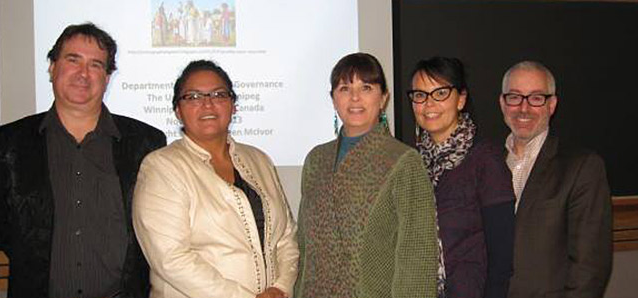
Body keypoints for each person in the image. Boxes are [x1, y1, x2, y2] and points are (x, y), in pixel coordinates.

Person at [0, 23, 166, 297]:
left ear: (107, 77)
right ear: (52, 68)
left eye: (96, 65)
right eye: (73, 60)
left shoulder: (146, 142)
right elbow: (6, 228)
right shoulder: (6, 144)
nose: (83, 74)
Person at [132, 60, 298, 298]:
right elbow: (171, 258)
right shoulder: (161, 167)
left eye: (219, 94)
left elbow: (286, 237)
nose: (208, 103)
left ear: (233, 106)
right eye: (193, 97)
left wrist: (280, 288)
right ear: (177, 111)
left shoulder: (259, 160)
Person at [294, 52, 439, 298]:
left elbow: (417, 256)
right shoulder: (316, 160)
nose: (355, 98)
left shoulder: (403, 161)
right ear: (333, 99)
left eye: (366, 87)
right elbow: (305, 248)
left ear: (383, 98)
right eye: (344, 88)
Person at [499, 61, 612, 298]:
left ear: (552, 105)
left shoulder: (582, 167)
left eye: (536, 98)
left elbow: (589, 269)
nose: (523, 108)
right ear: (502, 102)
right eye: (515, 97)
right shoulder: (487, 163)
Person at [407, 57, 515, 298]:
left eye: (440, 93)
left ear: (461, 99)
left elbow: (502, 255)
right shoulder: (410, 163)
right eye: (420, 95)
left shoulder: (486, 160)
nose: (428, 104)